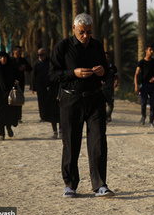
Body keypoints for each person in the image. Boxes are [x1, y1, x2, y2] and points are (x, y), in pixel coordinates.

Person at [49, 13, 114, 198]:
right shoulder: (62, 47)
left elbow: (107, 71)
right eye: (82, 32)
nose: (86, 36)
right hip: (70, 101)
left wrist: (103, 71)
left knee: (98, 143)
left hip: (95, 100)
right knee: (71, 143)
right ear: (74, 29)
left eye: (89, 32)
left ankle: (100, 185)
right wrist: (73, 73)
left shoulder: (97, 46)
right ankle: (70, 185)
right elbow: (53, 75)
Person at [31, 48, 60, 138]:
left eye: (43, 54)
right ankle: (44, 117)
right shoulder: (37, 64)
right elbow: (33, 76)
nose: (41, 56)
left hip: (52, 89)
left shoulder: (51, 63)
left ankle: (60, 131)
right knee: (43, 104)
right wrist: (33, 87)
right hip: (41, 88)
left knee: (56, 110)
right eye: (40, 55)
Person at [134, 45, 154, 128]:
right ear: (146, 51)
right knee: (143, 102)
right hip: (143, 85)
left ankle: (151, 122)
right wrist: (136, 86)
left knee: (153, 104)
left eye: (153, 50)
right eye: (150, 50)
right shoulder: (141, 62)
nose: (152, 51)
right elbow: (136, 74)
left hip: (153, 86)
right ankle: (143, 116)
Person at [11, 46, 32, 123]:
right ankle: (12, 117)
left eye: (20, 51)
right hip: (11, 83)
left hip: (21, 84)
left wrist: (25, 67)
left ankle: (19, 117)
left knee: (19, 100)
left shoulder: (23, 60)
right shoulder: (10, 60)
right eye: (18, 51)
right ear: (14, 52)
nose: (20, 53)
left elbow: (30, 68)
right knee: (12, 100)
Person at [101, 52, 119, 123]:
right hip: (102, 88)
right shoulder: (101, 67)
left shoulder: (113, 67)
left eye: (107, 57)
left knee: (110, 103)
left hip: (110, 88)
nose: (106, 58)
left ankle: (108, 116)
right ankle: (103, 117)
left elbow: (117, 77)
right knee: (102, 103)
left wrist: (116, 82)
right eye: (105, 57)